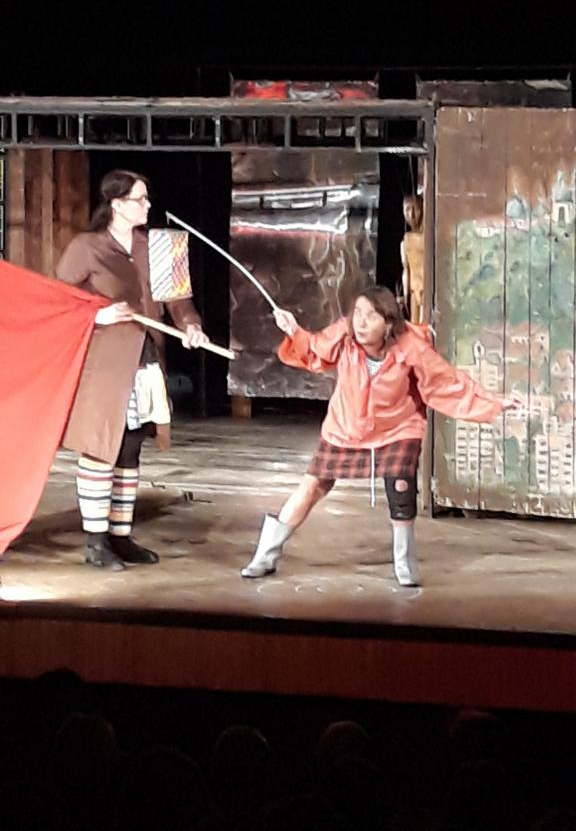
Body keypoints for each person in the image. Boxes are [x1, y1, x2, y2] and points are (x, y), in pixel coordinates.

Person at [241, 286, 515, 586]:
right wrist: (294, 330)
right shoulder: (344, 336)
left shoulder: (411, 346)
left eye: (370, 316)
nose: (360, 322)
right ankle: (265, 555)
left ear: (388, 323)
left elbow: (446, 383)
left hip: (398, 428)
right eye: (357, 314)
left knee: (401, 486)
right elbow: (315, 349)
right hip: (345, 427)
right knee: (312, 485)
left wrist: (492, 402)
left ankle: (404, 563)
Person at [56, 169, 208, 570]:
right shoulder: (87, 247)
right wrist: (99, 316)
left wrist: (191, 326)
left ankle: (120, 536)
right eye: (140, 199)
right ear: (118, 204)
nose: (148, 205)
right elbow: (62, 301)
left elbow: (179, 300)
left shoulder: (159, 245)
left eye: (146, 198)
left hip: (145, 358)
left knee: (131, 444)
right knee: (100, 445)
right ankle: (95, 541)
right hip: (103, 363)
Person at [400, 193, 425, 323]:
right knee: (414, 324)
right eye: (407, 209)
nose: (412, 214)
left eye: (416, 209)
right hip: (414, 289)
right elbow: (406, 268)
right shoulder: (406, 240)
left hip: (425, 287)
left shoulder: (427, 237)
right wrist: (405, 293)